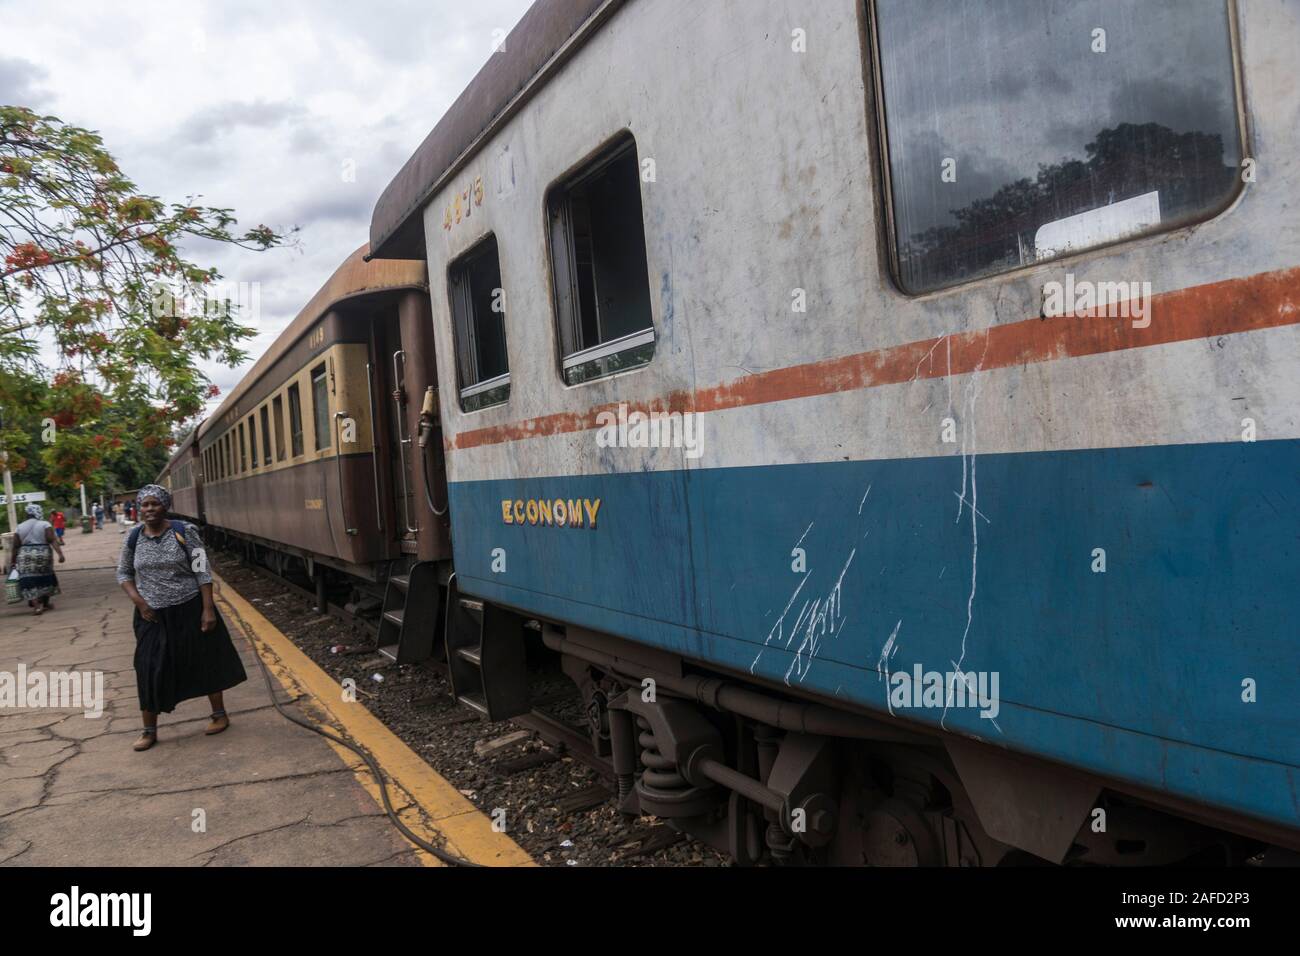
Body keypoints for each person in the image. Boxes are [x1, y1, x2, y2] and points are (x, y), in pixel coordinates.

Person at [116, 484, 246, 752]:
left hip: (189, 606)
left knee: (204, 659)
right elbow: (124, 574)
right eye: (144, 505)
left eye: (155, 504)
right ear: (139, 509)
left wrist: (207, 609)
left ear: (165, 506)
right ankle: (149, 730)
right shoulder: (133, 537)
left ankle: (219, 714)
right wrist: (139, 601)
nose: (149, 509)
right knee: (148, 667)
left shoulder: (185, 532)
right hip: (150, 614)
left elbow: (202, 571)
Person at [6, 503, 65, 615]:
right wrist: (60, 555)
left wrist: (13, 561)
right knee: (46, 577)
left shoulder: (20, 526)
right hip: (43, 554)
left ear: (27, 514)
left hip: (25, 555)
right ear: (38, 512)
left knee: (28, 580)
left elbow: (15, 546)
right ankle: (46, 603)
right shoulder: (45, 524)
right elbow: (51, 540)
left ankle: (37, 607)